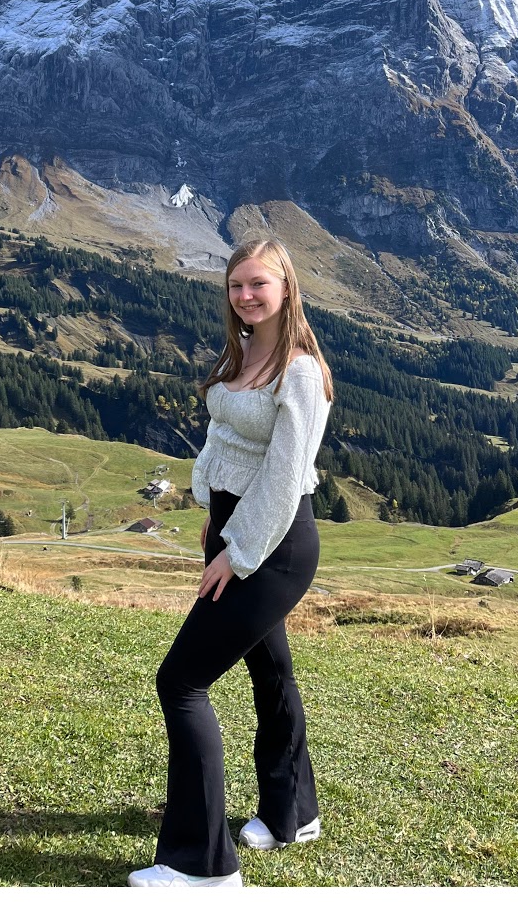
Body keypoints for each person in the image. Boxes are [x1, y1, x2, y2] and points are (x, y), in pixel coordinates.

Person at [130, 237, 335, 887]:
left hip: (272, 546)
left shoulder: (299, 372)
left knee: (181, 681)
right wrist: (210, 517)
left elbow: (284, 476)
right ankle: (290, 813)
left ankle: (202, 866)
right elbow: (225, 436)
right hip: (235, 531)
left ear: (286, 288)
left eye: (258, 284)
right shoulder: (245, 351)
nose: (245, 295)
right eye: (235, 284)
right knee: (271, 671)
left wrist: (237, 551)